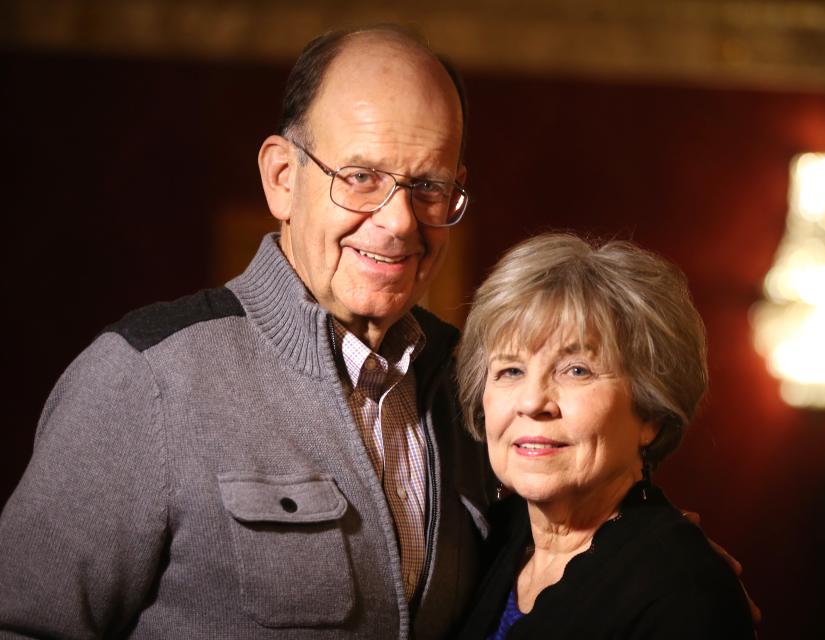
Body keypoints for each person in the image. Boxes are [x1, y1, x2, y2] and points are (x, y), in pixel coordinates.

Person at [0, 26, 491, 639]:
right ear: (283, 177)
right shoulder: (145, 379)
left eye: (428, 186)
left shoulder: (473, 390)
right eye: (362, 176)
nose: (397, 222)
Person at [453, 233, 755, 638]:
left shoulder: (685, 591)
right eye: (511, 370)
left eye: (576, 370)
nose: (532, 402)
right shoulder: (484, 541)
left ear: (651, 413)